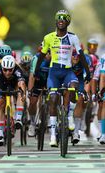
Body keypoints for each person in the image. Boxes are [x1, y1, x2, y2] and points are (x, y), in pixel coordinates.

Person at [34, 9, 91, 147]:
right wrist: (36, 71)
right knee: (53, 99)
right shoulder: (48, 37)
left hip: (67, 71)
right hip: (54, 72)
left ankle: (70, 115)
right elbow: (42, 55)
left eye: (64, 18)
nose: (61, 20)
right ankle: (53, 135)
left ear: (68, 22)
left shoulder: (73, 38)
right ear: (56, 20)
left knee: (74, 87)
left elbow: (81, 55)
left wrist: (87, 72)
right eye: (58, 18)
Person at [0, 55, 26, 145]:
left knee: (20, 93)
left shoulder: (18, 69)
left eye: (10, 70)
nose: (8, 72)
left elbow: (21, 83)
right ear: (2, 68)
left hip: (13, 84)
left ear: (13, 68)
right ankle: (0, 134)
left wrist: (23, 94)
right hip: (2, 84)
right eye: (5, 70)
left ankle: (18, 119)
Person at [27, 46, 51, 137]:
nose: (48, 55)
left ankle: (49, 117)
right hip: (38, 80)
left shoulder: (55, 58)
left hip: (49, 80)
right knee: (33, 101)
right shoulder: (36, 58)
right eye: (46, 52)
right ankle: (32, 123)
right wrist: (29, 91)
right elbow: (31, 76)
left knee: (53, 97)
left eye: (50, 52)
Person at [70, 48, 92, 144]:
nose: (75, 58)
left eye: (77, 56)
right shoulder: (64, 59)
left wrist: (85, 93)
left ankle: (76, 132)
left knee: (80, 99)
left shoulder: (85, 60)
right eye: (73, 55)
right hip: (67, 78)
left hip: (80, 80)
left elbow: (86, 81)